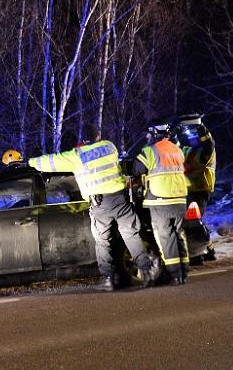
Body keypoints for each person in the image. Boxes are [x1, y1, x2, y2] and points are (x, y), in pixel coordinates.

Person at [28, 124, 155, 291]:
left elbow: (50, 161)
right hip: (120, 200)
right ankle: (147, 272)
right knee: (131, 235)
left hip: (100, 205)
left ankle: (108, 279)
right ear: (99, 135)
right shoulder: (110, 147)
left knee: (103, 242)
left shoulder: (77, 156)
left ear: (83, 139)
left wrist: (28, 161)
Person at [133, 127, 189, 285]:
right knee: (178, 235)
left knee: (165, 238)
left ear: (155, 134)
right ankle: (184, 273)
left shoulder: (151, 151)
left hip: (161, 200)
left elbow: (137, 169)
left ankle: (174, 275)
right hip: (179, 199)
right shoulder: (177, 149)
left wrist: (144, 149)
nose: (147, 137)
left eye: (149, 134)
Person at [177, 113, 217, 261]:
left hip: (201, 189)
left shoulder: (206, 152)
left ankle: (200, 254)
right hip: (188, 189)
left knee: (194, 221)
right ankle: (208, 250)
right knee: (193, 221)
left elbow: (208, 144)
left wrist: (201, 128)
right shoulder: (187, 150)